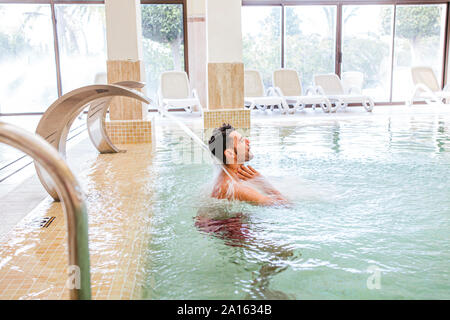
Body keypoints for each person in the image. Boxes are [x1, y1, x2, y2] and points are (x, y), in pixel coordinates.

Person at [208, 123, 289, 206]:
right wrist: (263, 183)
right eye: (241, 141)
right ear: (230, 153)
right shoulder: (236, 188)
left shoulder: (226, 178)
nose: (248, 141)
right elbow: (285, 205)